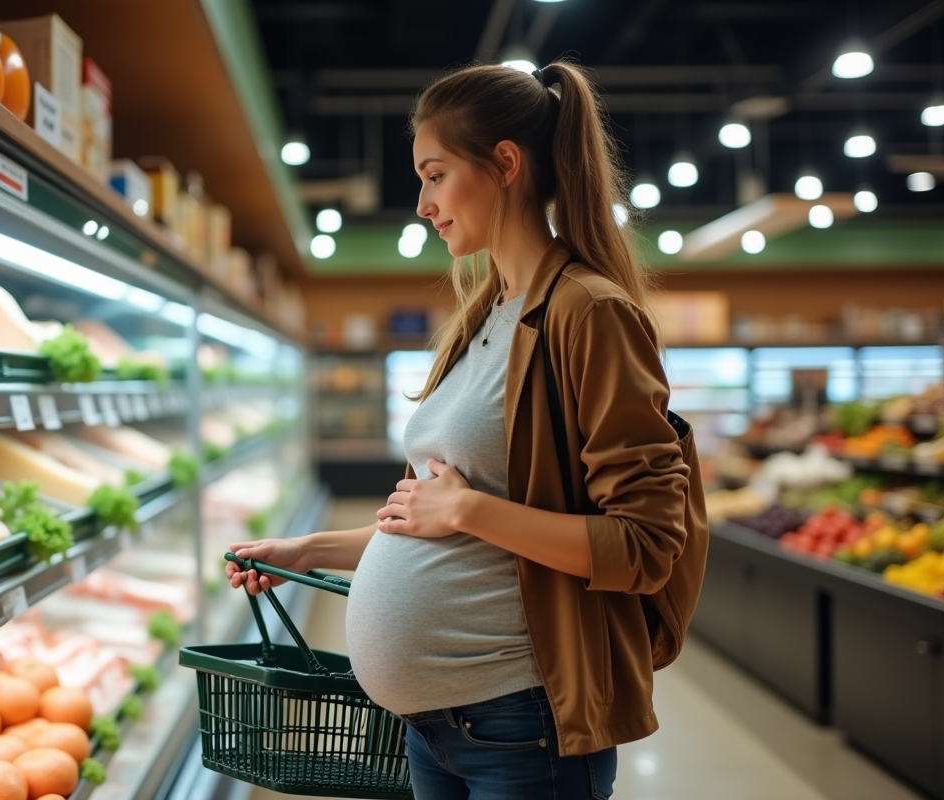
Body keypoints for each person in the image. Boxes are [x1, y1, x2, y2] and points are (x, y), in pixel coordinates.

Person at [227, 60, 702, 800]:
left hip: (522, 726)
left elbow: (644, 547)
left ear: (505, 163)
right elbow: (436, 521)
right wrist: (309, 550)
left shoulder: (588, 312)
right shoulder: (484, 315)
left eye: (435, 175)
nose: (423, 204)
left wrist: (468, 509)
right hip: (433, 731)